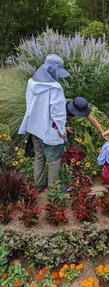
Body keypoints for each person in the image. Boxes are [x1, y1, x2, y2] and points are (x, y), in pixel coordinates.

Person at [19, 54, 70, 192]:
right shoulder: (55, 88)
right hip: (49, 130)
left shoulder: (31, 82)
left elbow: (29, 104)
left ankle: (38, 185)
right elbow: (57, 113)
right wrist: (62, 129)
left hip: (34, 127)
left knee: (39, 156)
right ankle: (53, 189)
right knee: (54, 160)